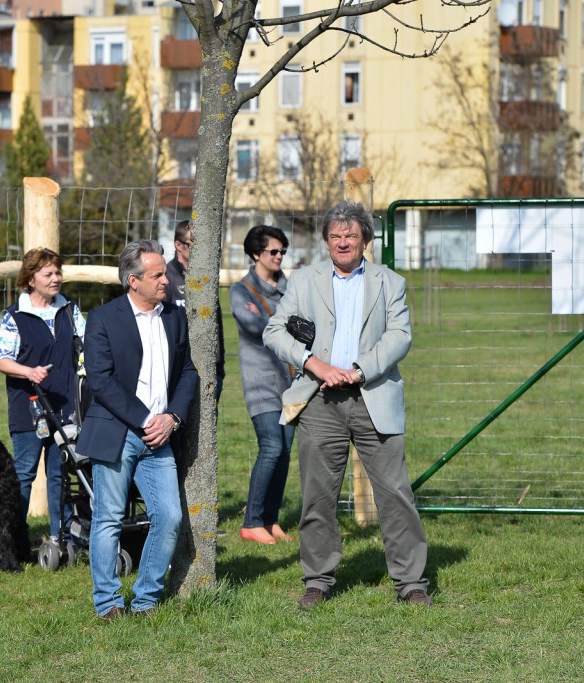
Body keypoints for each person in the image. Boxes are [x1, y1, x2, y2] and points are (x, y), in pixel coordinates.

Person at [263, 201, 432, 608]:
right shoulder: (303, 280)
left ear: (365, 240)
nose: (342, 242)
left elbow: (400, 336)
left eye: (350, 235)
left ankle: (411, 582)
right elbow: (274, 331)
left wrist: (359, 370)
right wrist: (315, 364)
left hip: (374, 397)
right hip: (320, 400)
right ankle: (317, 580)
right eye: (335, 236)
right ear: (326, 241)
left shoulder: (390, 282)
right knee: (318, 496)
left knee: (395, 494)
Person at [76, 239, 198, 618]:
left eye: (165, 273)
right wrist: (148, 420)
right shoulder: (103, 318)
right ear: (133, 280)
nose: (166, 280)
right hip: (118, 433)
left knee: (170, 517)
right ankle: (108, 602)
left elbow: (188, 372)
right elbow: (101, 380)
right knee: (108, 518)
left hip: (162, 436)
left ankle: (146, 600)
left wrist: (172, 418)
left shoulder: (174, 316)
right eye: (157, 275)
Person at [0, 248, 85, 539]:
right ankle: (13, 539)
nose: (56, 278)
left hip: (65, 407)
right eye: (48, 274)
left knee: (60, 474)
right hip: (28, 409)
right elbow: (0, 358)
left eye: (58, 272)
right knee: (24, 474)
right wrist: (29, 372)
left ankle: (62, 537)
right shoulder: (15, 315)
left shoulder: (69, 309)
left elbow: (87, 345)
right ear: (31, 279)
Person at [231, 225, 296, 545]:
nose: (279, 256)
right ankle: (252, 522)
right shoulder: (241, 290)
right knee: (271, 447)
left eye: (282, 251)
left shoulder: (290, 289)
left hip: (292, 382)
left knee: (284, 452)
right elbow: (252, 324)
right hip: (260, 382)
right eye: (273, 251)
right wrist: (289, 324)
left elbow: (306, 324)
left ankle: (271, 519)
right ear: (256, 254)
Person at [165, 220, 225, 399]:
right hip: (179, 371)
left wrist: (219, 367)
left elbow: (217, 323)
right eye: (193, 244)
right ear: (178, 245)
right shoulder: (166, 279)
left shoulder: (207, 278)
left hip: (211, 370)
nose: (200, 250)